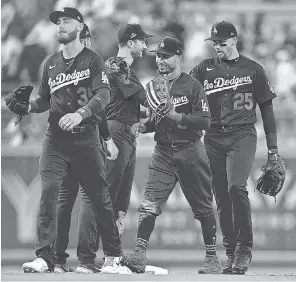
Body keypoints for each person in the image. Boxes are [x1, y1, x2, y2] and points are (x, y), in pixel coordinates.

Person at [20, 7, 123, 274]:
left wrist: (81, 114)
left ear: (79, 26)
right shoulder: (51, 63)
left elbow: (103, 95)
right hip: (56, 139)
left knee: (100, 199)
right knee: (50, 193)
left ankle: (113, 256)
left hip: (86, 138)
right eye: (58, 22)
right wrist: (26, 106)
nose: (60, 26)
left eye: (66, 21)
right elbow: (43, 100)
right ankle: (46, 256)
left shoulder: (93, 60)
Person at [54, 23, 153, 273]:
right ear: (131, 42)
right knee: (97, 195)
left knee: (118, 201)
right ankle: (86, 259)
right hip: (115, 132)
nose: (145, 45)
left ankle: (111, 258)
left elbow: (139, 106)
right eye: (142, 41)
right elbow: (144, 99)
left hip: (127, 133)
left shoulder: (124, 68)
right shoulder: (115, 65)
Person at [125, 37, 223, 274]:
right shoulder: (153, 86)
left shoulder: (192, 85)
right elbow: (156, 121)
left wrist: (176, 116)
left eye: (166, 56)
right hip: (163, 153)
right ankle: (139, 254)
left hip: (190, 150)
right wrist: (142, 126)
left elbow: (205, 121)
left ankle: (212, 258)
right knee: (148, 204)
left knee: (203, 208)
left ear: (179, 57)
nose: (161, 60)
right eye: (158, 56)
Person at [189, 21, 281, 275]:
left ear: (234, 40)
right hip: (213, 137)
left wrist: (273, 149)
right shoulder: (203, 69)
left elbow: (267, 109)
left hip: (242, 135)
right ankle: (230, 252)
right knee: (220, 194)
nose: (218, 46)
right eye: (215, 42)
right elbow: (184, 91)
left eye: (222, 42)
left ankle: (244, 248)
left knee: (236, 187)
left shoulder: (253, 69)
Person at [53, 23, 119, 273]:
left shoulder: (72, 65)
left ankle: (60, 260)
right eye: (86, 38)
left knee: (67, 200)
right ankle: (85, 259)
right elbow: (97, 106)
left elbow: (95, 108)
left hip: (71, 137)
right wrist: (107, 139)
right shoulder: (89, 65)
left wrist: (107, 138)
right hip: (81, 139)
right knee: (95, 200)